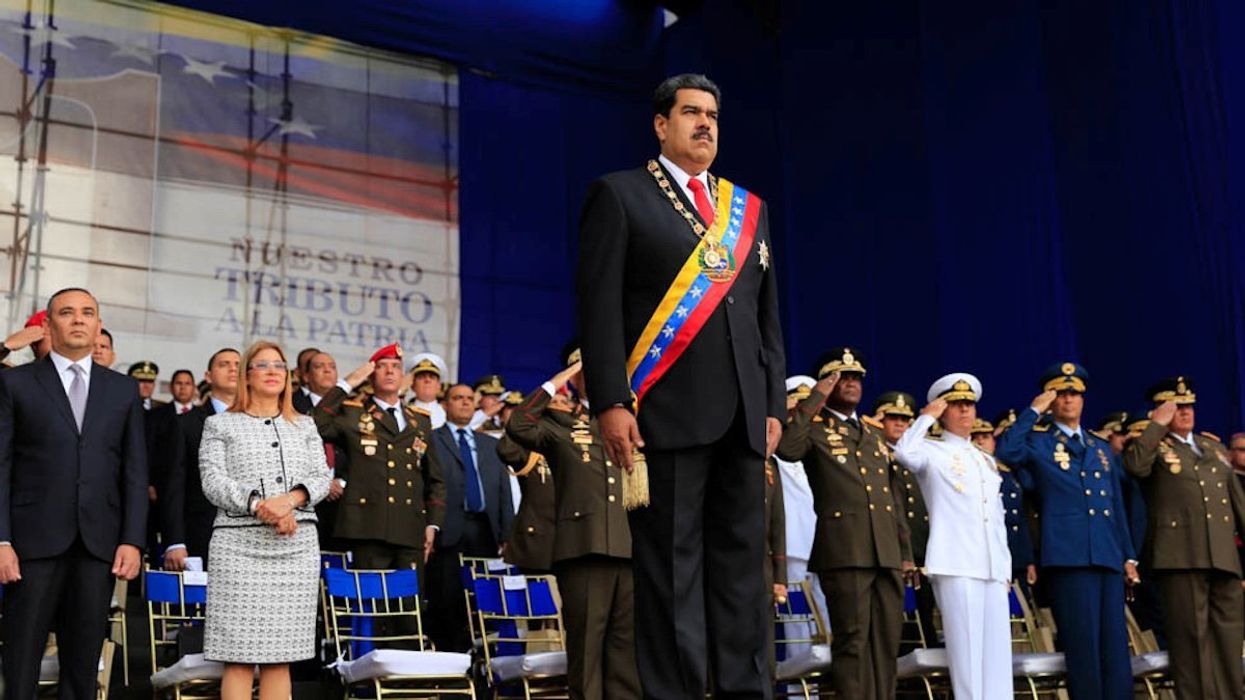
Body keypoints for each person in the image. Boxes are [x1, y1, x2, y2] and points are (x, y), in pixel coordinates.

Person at [577, 73, 785, 700]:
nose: (705, 125)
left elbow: (766, 316)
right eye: (691, 112)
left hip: (746, 416)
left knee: (744, 570)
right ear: (661, 124)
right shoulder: (620, 195)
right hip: (663, 413)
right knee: (672, 569)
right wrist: (611, 400)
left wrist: (773, 405)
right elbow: (599, 307)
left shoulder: (749, 209)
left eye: (713, 115)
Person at [0, 287, 147, 699]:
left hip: (98, 545)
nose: (79, 319)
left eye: (88, 313)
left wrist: (132, 540)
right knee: (22, 665)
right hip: (30, 545)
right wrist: (2, 539)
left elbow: (134, 472)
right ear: (48, 325)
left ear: (99, 325)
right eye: (67, 313)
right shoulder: (16, 383)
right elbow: (2, 466)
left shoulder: (122, 390)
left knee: (83, 669)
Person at [995, 362, 1138, 700]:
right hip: (1069, 556)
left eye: (1074, 393)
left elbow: (1115, 506)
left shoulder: (1099, 447)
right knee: (1083, 649)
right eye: (1060, 394)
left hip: (1106, 554)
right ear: (1051, 398)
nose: (1069, 400)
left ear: (1084, 399)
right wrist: (1033, 411)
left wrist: (1128, 555)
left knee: (1115, 650)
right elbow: (1007, 451)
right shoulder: (1039, 441)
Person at [199, 340, 332, 700]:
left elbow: (322, 476)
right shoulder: (219, 424)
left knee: (280, 657)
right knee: (238, 657)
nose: (273, 371)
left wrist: (290, 502)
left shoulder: (304, 425)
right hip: (238, 548)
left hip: (295, 547)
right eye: (262, 365)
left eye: (279, 365)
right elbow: (213, 482)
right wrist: (262, 507)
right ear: (246, 375)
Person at [775, 349, 911, 700]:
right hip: (845, 550)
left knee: (885, 642)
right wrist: (816, 397)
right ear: (827, 382)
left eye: (856, 378)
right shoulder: (815, 428)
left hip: (886, 553)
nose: (850, 384)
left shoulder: (873, 431)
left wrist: (905, 553)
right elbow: (786, 448)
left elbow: (893, 499)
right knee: (853, 641)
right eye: (841, 377)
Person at [505, 349, 639, 700]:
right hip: (583, 548)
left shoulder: (633, 419)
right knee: (586, 650)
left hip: (629, 547)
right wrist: (560, 380)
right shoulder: (559, 423)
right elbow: (517, 426)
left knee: (625, 652)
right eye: (587, 372)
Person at [1122, 377, 1245, 700]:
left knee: (1229, 643)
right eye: (1176, 407)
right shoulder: (1152, 445)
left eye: (1189, 405)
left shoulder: (1212, 448)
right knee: (1191, 644)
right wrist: (1155, 427)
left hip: (1223, 559)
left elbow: (1238, 504)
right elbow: (1135, 467)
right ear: (1161, 410)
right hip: (1181, 558)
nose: (1185, 412)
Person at [894, 373, 1011, 700]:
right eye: (956, 405)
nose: (964, 411)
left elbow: (996, 520)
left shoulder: (985, 459)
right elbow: (904, 453)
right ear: (943, 410)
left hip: (991, 565)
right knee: (967, 655)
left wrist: (1004, 566)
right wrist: (925, 417)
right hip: (956, 562)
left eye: (969, 405)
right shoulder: (931, 451)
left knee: (997, 655)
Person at [313, 343, 445, 573]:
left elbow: (434, 478)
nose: (390, 371)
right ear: (370, 375)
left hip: (410, 527)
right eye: (382, 366)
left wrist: (432, 524)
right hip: (367, 527)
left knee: (409, 604)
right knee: (371, 602)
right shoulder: (353, 413)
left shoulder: (420, 420)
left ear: (403, 376)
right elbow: (316, 424)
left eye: (395, 366)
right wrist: (348, 383)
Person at [426, 382, 514, 652]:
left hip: (484, 530)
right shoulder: (432, 439)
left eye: (469, 398)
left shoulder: (490, 444)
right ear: (445, 404)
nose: (465, 402)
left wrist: (507, 534)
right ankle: (450, 658)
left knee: (483, 597)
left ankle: (482, 658)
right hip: (448, 528)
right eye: (457, 398)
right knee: (447, 597)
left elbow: (503, 492)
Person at [871, 390, 936, 649]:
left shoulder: (918, 455)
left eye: (905, 419)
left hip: (924, 550)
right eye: (892, 418)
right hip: (894, 551)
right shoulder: (875, 455)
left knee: (926, 620)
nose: (900, 424)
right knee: (899, 625)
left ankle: (929, 688)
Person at [168, 348, 242, 569]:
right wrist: (175, 540)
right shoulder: (186, 423)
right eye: (224, 364)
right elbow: (174, 485)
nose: (232, 369)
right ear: (208, 376)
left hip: (250, 535)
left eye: (238, 365)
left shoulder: (261, 422)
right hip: (202, 531)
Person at [970, 418, 1037, 592]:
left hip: (1015, 552)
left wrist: (1028, 560)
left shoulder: (1008, 472)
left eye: (985, 436)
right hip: (985, 556)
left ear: (993, 441)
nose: (980, 441)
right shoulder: (967, 472)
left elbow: (1020, 519)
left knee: (1023, 611)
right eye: (974, 436)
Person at [407, 352, 448, 429]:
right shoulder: (404, 412)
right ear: (412, 385)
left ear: (439, 385)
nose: (427, 380)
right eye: (421, 377)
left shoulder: (448, 413)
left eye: (432, 377)